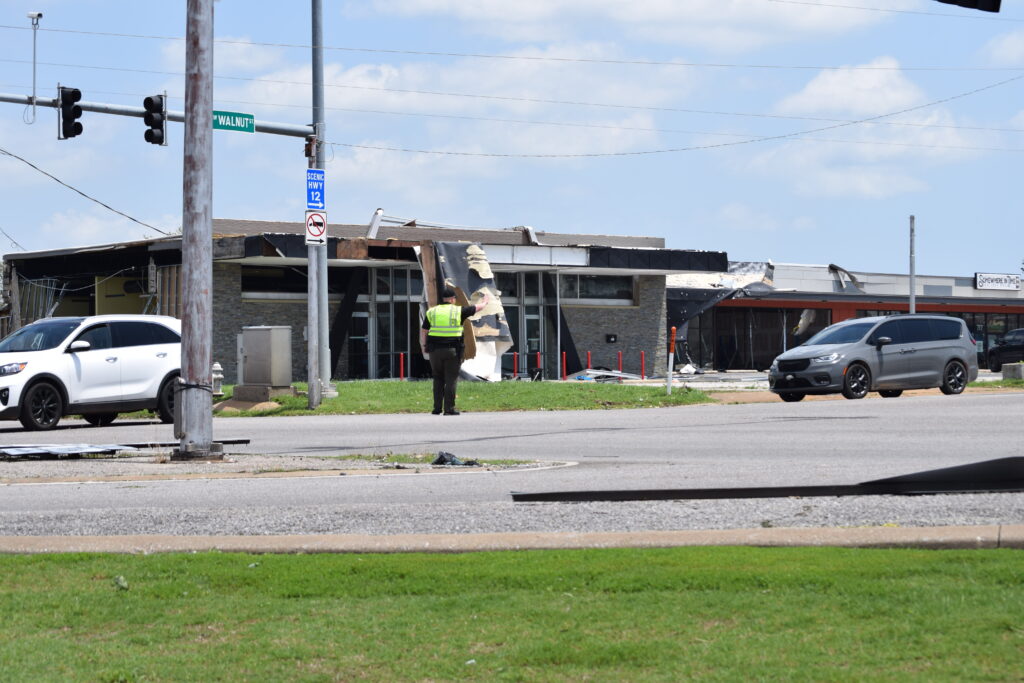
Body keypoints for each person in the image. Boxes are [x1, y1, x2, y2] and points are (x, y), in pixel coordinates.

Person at [420, 286, 490, 415]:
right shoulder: (458, 311)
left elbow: (424, 331)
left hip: (435, 351)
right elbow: (477, 308)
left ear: (443, 299)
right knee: (451, 379)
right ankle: (449, 409)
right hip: (452, 351)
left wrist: (424, 346)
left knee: (438, 378)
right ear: (452, 299)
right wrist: (485, 301)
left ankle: (436, 408)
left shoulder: (432, 312)